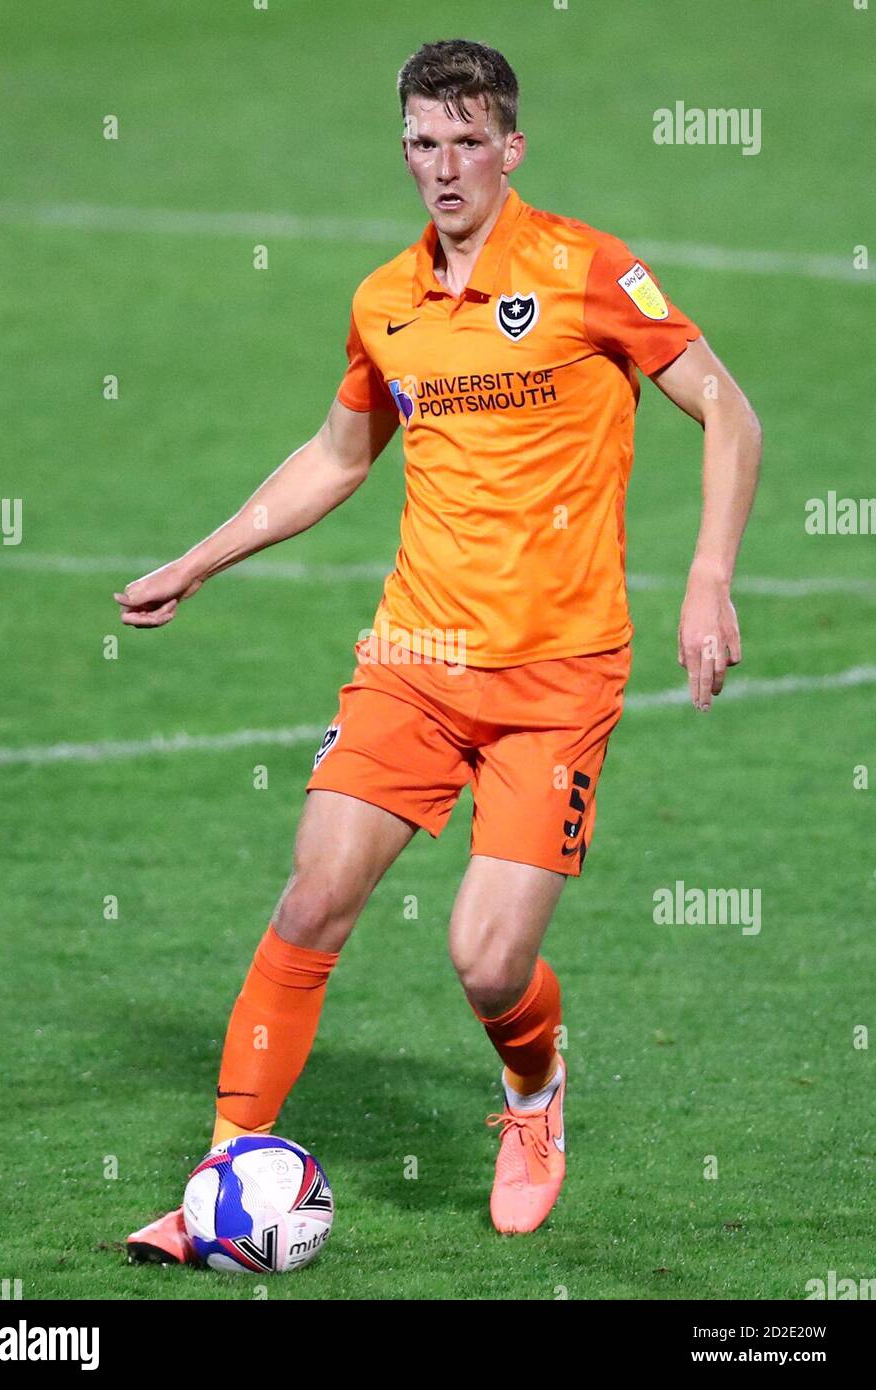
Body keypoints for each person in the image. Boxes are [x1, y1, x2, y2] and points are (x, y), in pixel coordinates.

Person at [115, 38, 761, 1256]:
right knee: (314, 896)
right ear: (403, 148)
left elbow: (727, 407)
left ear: (512, 147)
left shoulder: (583, 270)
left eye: (470, 141)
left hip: (556, 680)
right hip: (411, 658)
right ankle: (220, 1176)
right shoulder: (385, 300)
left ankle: (532, 1098)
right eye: (423, 142)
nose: (445, 166)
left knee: (484, 957)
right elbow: (338, 455)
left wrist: (706, 579)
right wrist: (197, 559)